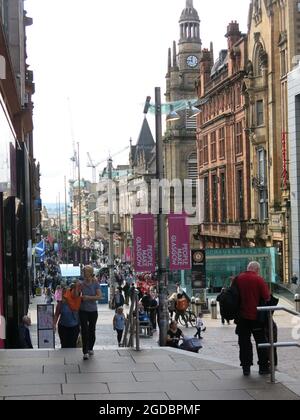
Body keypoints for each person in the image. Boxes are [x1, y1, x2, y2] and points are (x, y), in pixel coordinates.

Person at [235, 261, 270, 376]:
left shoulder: (238, 278)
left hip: (242, 317)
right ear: (257, 269)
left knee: (244, 342)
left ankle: (246, 368)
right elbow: (266, 296)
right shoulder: (259, 279)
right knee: (261, 341)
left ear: (248, 268)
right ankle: (263, 367)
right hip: (256, 317)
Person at [79, 265, 102, 360]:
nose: (85, 274)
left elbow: (99, 296)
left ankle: (90, 348)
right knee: (84, 330)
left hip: (93, 310)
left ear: (91, 272)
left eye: (87, 272)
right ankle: (85, 351)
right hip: (83, 310)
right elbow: (77, 295)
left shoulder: (95, 283)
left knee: (92, 330)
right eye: (84, 272)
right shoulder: (81, 284)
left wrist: (88, 297)